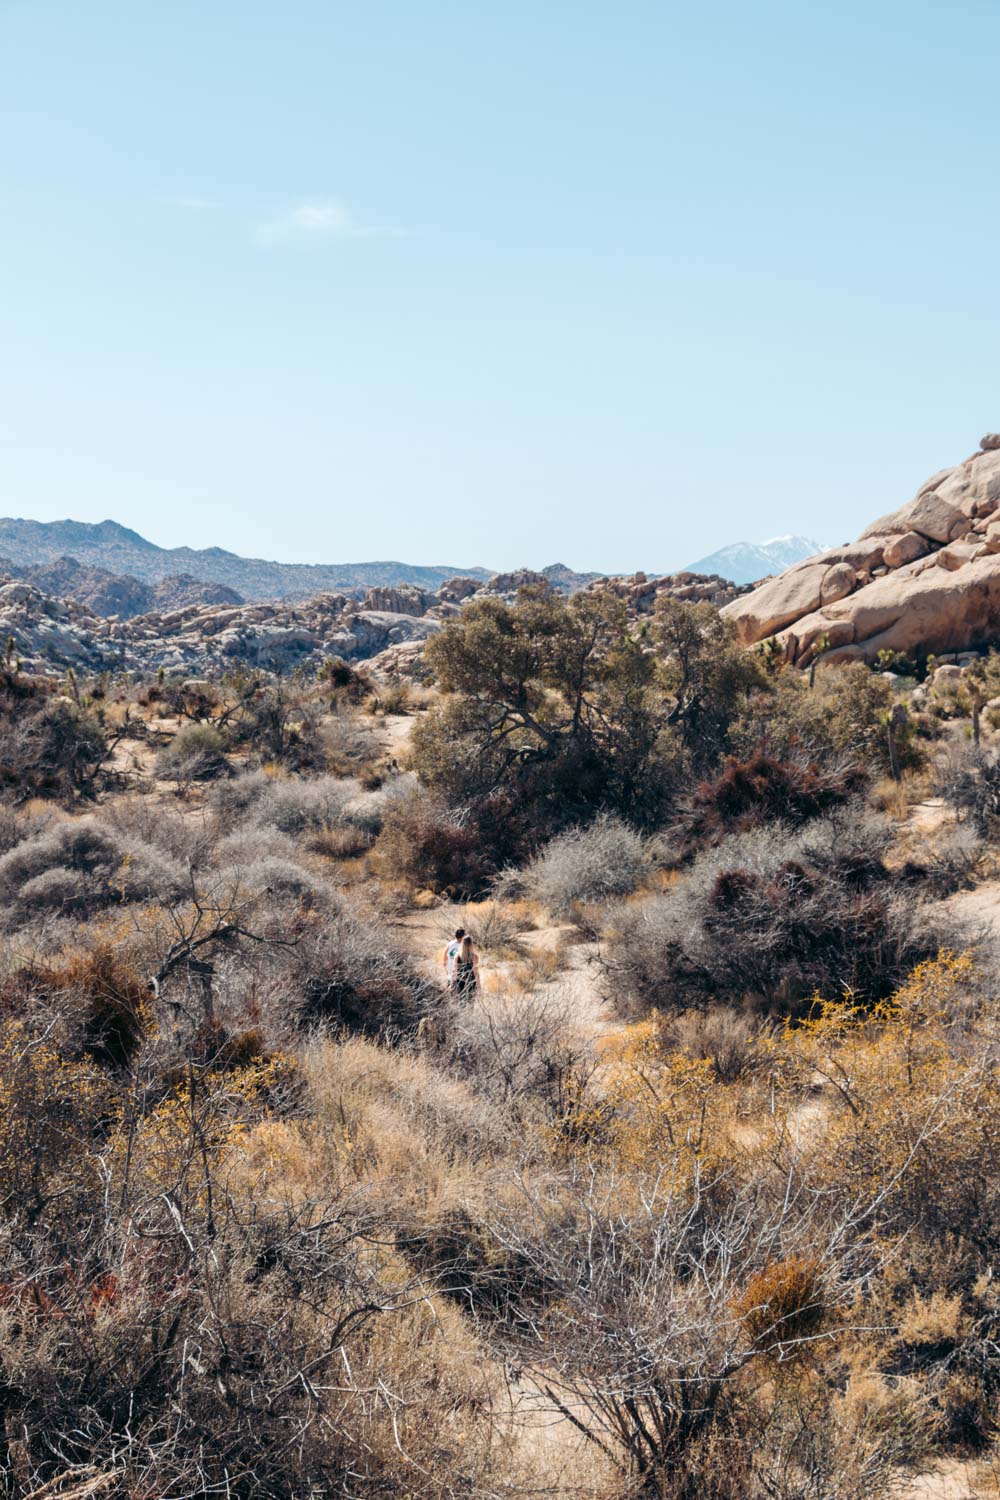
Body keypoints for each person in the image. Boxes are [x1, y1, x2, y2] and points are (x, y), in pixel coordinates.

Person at [454, 934, 480, 1001]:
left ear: (462, 943)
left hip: (460, 981)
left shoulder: (457, 955)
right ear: (471, 944)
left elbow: (455, 971)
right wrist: (479, 985)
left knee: (460, 1004)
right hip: (471, 982)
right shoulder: (475, 956)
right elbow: (476, 972)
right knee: (470, 1004)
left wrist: (452, 984)